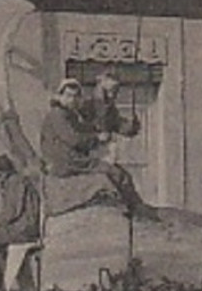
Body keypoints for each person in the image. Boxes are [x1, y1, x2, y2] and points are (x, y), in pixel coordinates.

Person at [39, 76, 153, 220]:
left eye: (75, 96)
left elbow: (109, 125)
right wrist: (96, 138)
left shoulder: (72, 113)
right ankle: (137, 210)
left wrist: (131, 127)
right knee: (115, 173)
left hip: (75, 157)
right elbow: (73, 138)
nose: (72, 100)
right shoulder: (60, 114)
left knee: (118, 173)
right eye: (68, 96)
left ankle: (135, 209)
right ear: (59, 96)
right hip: (67, 161)